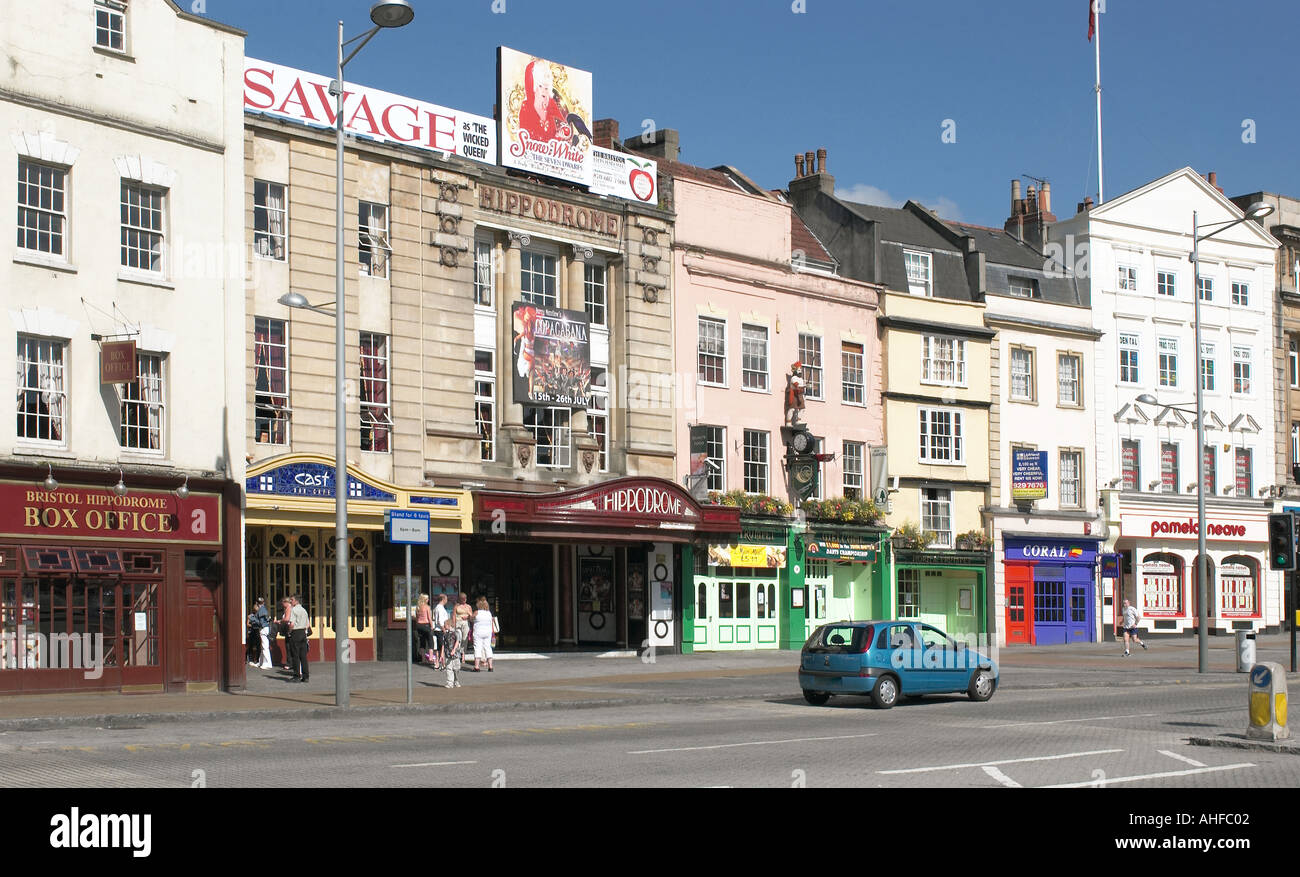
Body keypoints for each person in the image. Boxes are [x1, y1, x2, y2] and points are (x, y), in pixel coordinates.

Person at [518, 59, 569, 143]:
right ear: (534, 87)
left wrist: (559, 136)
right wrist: (537, 64)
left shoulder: (551, 109)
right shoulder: (526, 107)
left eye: (546, 88)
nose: (543, 91)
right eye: (540, 86)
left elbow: (553, 144)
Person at [288, 593, 310, 682]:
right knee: (303, 656)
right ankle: (306, 676)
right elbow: (308, 624)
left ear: (296, 601)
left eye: (292, 600)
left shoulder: (294, 610)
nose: (291, 601)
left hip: (296, 632)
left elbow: (292, 624)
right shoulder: (304, 610)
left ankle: (296, 676)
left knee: (295, 655)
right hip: (303, 633)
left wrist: (289, 631)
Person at [472, 597, 497, 672]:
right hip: (487, 632)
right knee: (488, 648)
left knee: (478, 648)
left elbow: (471, 618)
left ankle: (476, 666)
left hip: (478, 632)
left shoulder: (477, 612)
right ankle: (490, 666)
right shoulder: (489, 613)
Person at [441, 615, 463, 689]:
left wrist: (454, 650)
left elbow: (457, 641)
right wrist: (442, 654)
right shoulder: (445, 634)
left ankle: (456, 680)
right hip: (448, 654)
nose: (444, 627)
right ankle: (450, 683)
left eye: (445, 625)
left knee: (456, 668)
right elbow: (443, 644)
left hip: (456, 654)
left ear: (449, 625)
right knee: (449, 669)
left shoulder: (456, 632)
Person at [413, 593, 434, 664]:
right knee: (430, 642)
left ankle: (423, 659)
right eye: (427, 599)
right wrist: (432, 626)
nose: (428, 600)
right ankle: (431, 658)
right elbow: (429, 618)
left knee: (422, 642)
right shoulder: (427, 607)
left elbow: (416, 618)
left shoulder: (418, 607)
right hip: (426, 625)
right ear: (425, 600)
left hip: (419, 625)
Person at [432, 594, 450, 670]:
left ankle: (438, 663)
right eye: (446, 599)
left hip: (437, 629)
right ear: (443, 599)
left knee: (438, 647)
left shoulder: (437, 607)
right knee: (442, 647)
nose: (447, 601)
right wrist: (444, 630)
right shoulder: (440, 608)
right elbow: (440, 621)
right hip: (440, 630)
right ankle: (441, 663)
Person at [254, 597, 272, 670]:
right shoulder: (264, 609)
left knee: (265, 647)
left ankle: (267, 663)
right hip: (265, 628)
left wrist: (253, 619)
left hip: (263, 628)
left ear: (257, 603)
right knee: (263, 646)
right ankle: (261, 662)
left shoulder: (261, 610)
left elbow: (261, 622)